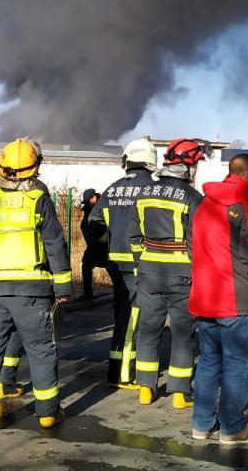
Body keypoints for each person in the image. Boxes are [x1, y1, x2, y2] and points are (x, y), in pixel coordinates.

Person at [0, 138, 72, 436]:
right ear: (34, 168)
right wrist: (63, 287)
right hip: (32, 292)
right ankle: (47, 414)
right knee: (41, 350)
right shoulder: (38, 200)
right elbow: (55, 244)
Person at [188, 153, 248, 445]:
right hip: (235, 300)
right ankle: (234, 428)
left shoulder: (205, 205)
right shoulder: (246, 208)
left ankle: (201, 424)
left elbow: (191, 248)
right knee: (237, 363)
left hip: (205, 297)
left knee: (209, 361)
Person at [128, 138, 206, 408]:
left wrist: (143, 262)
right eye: (195, 164)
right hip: (181, 274)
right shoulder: (193, 197)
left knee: (149, 329)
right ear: (186, 166)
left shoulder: (145, 192)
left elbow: (133, 234)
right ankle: (179, 392)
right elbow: (198, 242)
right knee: (183, 332)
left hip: (149, 271)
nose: (196, 170)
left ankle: (146, 388)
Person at [87, 136, 157, 389]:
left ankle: (117, 368)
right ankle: (123, 375)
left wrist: (109, 241)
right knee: (133, 319)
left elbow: (94, 223)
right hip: (140, 263)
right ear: (150, 161)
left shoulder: (113, 188)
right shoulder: (152, 188)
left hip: (115, 263)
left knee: (123, 316)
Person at [79, 188, 109, 301]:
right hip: (93, 244)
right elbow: (85, 223)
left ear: (94, 198)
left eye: (88, 201)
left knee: (111, 268)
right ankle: (87, 294)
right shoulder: (88, 207)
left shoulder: (105, 204)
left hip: (106, 243)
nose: (87, 203)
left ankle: (120, 295)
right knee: (86, 265)